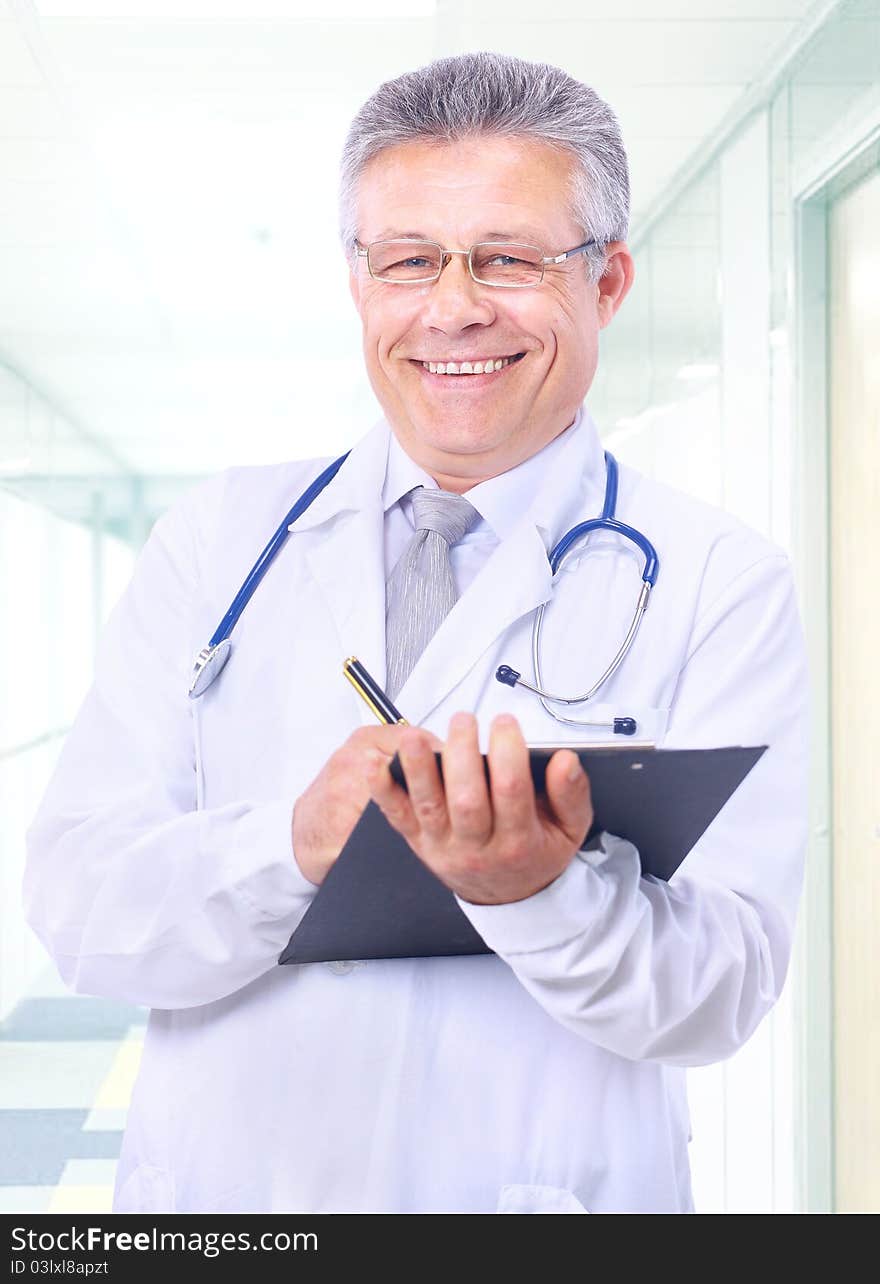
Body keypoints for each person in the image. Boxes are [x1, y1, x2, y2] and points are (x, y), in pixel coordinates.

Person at [24, 51, 809, 1214]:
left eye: (509, 257)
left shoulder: (718, 579)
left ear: (606, 282)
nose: (453, 305)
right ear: (359, 285)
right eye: (408, 261)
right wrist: (290, 845)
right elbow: (78, 912)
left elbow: (721, 993)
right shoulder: (218, 540)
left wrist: (537, 893)